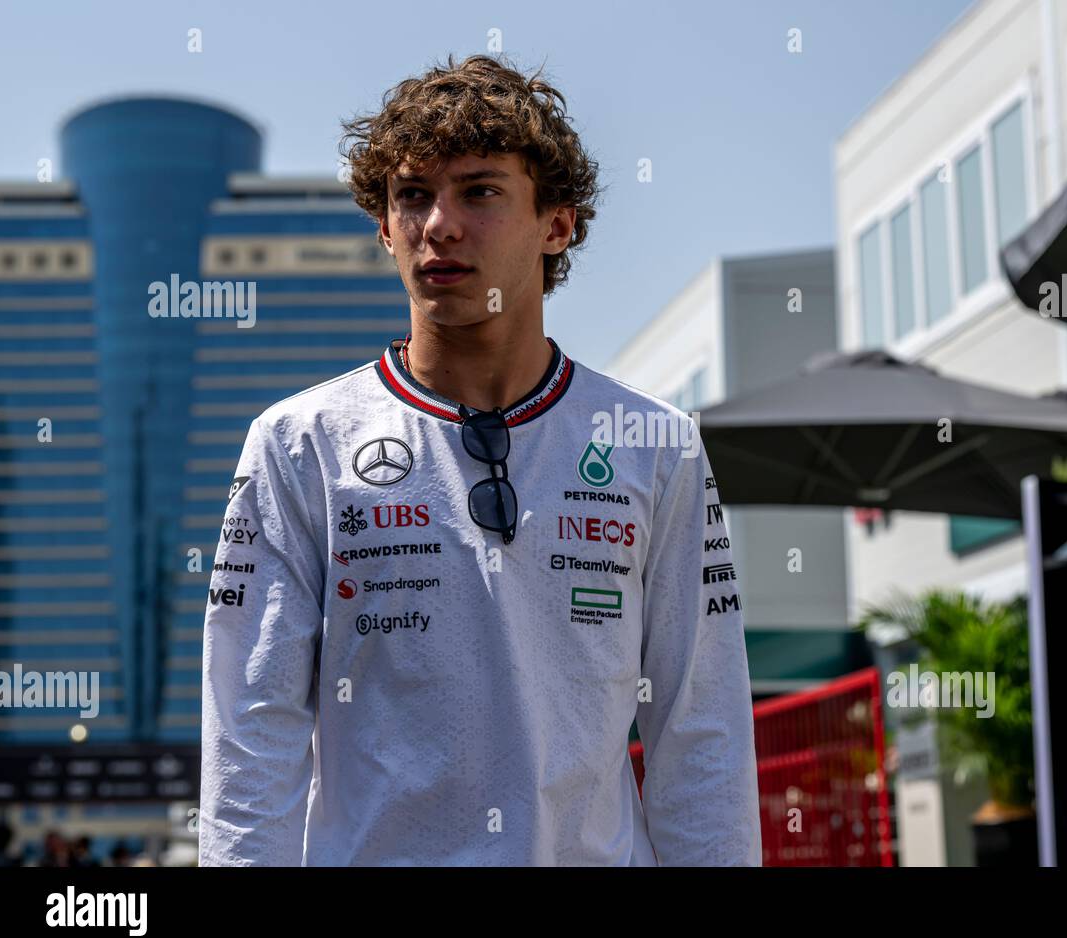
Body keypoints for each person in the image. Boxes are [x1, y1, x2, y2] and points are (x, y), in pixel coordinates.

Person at [198, 53, 760, 866]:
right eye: (413, 196)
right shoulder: (298, 443)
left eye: (480, 191)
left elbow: (700, 726)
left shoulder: (655, 444)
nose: (440, 225)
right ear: (384, 227)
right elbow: (250, 725)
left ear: (557, 224)